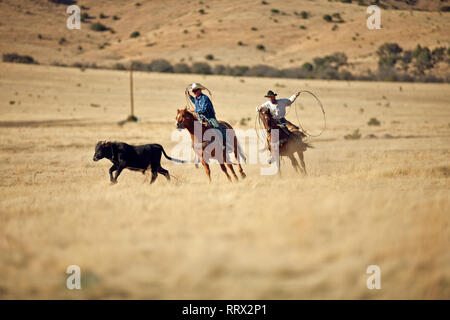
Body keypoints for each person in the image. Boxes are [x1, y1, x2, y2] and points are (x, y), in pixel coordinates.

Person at [185, 83, 227, 148]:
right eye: (193, 91)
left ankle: (225, 142)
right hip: (201, 118)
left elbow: (203, 109)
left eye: (195, 91)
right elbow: (195, 102)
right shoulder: (196, 98)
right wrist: (189, 96)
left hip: (210, 117)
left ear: (200, 90)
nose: (194, 92)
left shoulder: (205, 98)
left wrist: (195, 110)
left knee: (217, 127)